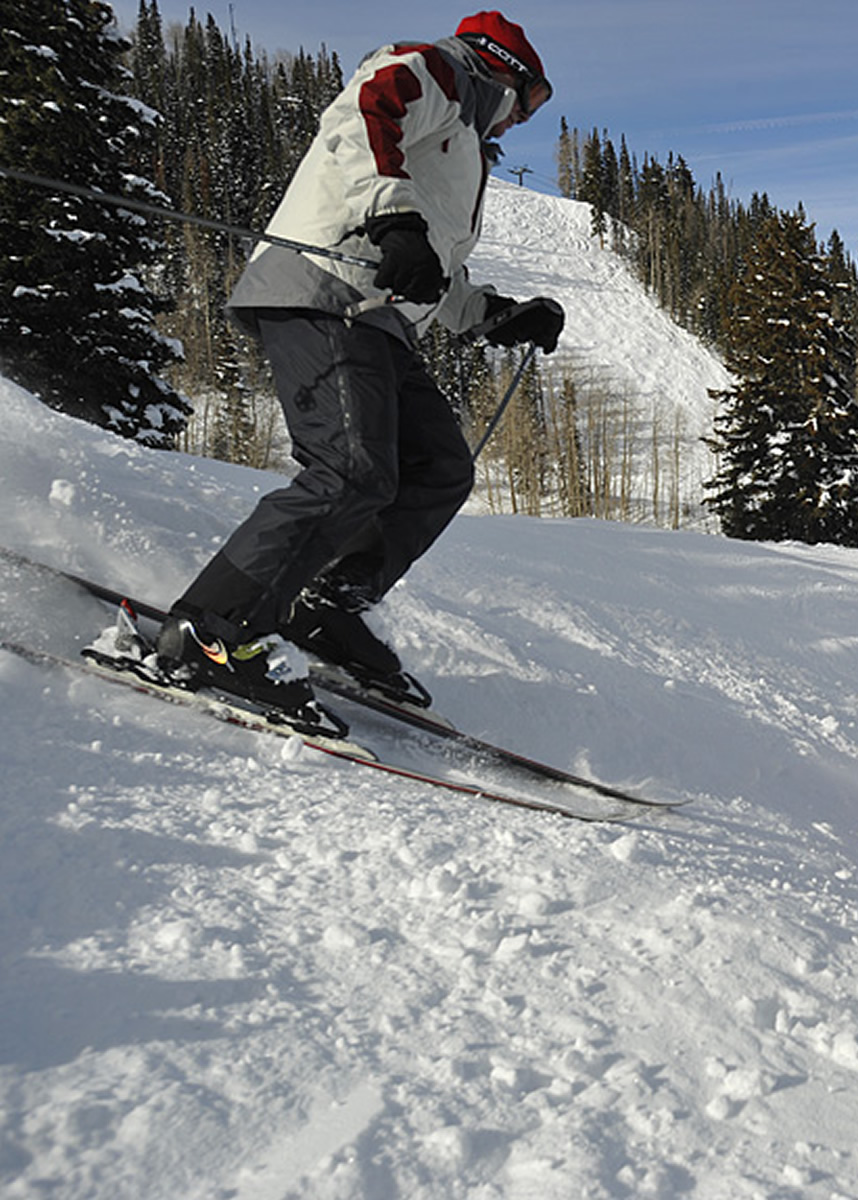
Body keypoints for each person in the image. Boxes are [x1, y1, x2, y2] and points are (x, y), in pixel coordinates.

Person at [149, 11, 565, 730]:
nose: (518, 124)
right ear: (506, 71)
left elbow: (424, 265)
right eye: (530, 104)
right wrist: (393, 218)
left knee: (438, 467)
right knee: (350, 470)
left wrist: (494, 313)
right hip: (322, 286)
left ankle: (326, 605)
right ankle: (210, 630)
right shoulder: (433, 71)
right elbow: (365, 115)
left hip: (381, 316)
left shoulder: (460, 140)